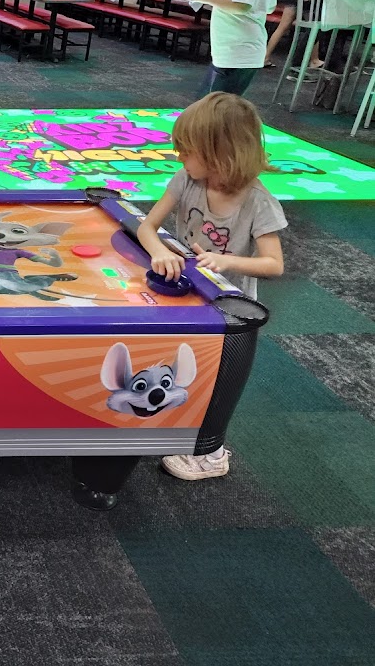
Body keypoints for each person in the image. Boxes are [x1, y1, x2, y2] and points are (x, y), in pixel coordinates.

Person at [137, 92, 287, 480]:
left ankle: (212, 454)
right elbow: (147, 227)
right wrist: (160, 252)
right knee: (181, 365)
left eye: (187, 151)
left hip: (228, 312)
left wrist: (227, 262)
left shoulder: (258, 202)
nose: (179, 158)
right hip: (188, 294)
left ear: (219, 153)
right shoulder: (187, 180)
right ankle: (175, 426)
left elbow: (274, 264)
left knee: (217, 380)